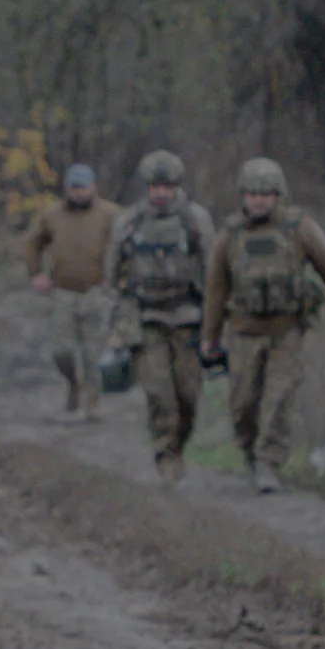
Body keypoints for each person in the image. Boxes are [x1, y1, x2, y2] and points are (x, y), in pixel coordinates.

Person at [200, 156, 325, 492]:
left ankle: (267, 463)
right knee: (243, 404)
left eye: (266, 193)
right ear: (243, 196)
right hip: (243, 333)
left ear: (278, 195)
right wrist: (209, 337)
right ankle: (249, 452)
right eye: (253, 193)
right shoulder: (230, 234)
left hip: (286, 331)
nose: (259, 199)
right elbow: (216, 289)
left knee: (279, 398)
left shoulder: (299, 228)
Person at [104, 150, 217, 486]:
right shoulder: (128, 222)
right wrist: (116, 325)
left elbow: (213, 273)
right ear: (147, 187)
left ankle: (177, 446)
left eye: (167, 186)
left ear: (176, 186)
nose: (161, 193)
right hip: (146, 319)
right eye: (155, 186)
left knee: (188, 396)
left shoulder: (195, 219)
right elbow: (111, 277)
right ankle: (166, 457)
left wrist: (216, 324)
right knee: (159, 394)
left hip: (188, 318)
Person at [23, 163, 121, 421]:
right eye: (74, 188)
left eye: (83, 188)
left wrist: (117, 278)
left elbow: (126, 246)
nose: (79, 193)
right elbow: (32, 243)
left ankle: (92, 403)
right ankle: (73, 382)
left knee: (92, 354)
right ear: (67, 188)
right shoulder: (52, 215)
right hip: (63, 293)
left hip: (95, 292)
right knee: (61, 352)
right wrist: (35, 274)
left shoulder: (111, 214)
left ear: (93, 187)